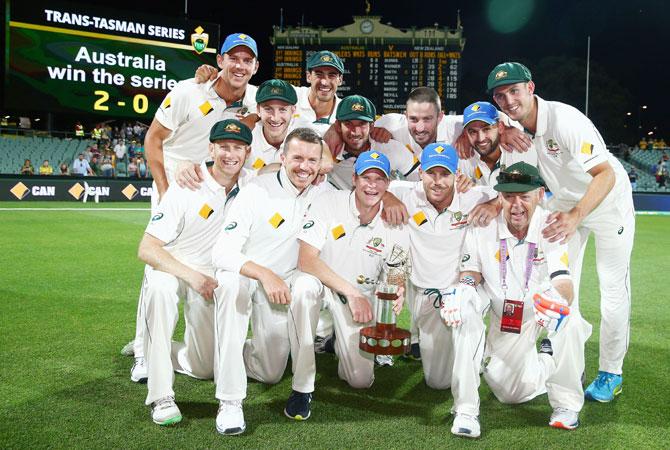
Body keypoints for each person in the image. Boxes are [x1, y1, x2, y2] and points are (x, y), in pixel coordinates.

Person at [487, 62, 634, 402]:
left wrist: (575, 215)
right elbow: (470, 120)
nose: (508, 101)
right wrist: (500, 127)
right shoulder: (510, 122)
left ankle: (611, 371)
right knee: (560, 284)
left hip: (608, 202)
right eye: (500, 96)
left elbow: (605, 174)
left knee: (612, 288)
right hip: (566, 203)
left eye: (514, 91)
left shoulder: (566, 120)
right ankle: (572, 358)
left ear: (531, 88)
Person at [445, 162, 592, 437]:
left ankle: (566, 405)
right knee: (512, 393)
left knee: (567, 316)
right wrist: (463, 289)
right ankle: (466, 409)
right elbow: (471, 271)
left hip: (540, 306)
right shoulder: (483, 225)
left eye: (524, 196)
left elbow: (563, 279)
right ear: (498, 196)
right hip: (504, 313)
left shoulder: (551, 225)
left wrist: (557, 299)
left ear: (539, 195)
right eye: (509, 196)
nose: (516, 205)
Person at [211, 128, 328, 435]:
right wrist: (264, 273)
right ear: (282, 157)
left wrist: (394, 195)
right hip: (249, 276)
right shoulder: (255, 190)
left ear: (320, 163)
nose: (304, 166)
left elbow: (374, 188)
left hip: (284, 286)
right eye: (297, 158)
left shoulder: (322, 194)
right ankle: (230, 401)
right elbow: (222, 252)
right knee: (231, 286)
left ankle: (301, 387)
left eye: (312, 160)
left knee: (271, 372)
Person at [136, 119, 253, 426]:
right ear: (211, 148)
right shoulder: (187, 184)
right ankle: (161, 397)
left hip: (211, 275)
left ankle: (149, 349)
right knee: (160, 293)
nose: (230, 154)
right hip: (172, 265)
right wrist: (191, 276)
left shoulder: (253, 187)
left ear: (247, 152)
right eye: (223, 147)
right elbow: (147, 249)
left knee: (202, 367)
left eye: (237, 148)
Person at [288, 150, 410, 419]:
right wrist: (353, 294)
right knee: (303, 289)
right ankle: (301, 387)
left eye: (380, 179)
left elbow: (396, 271)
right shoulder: (328, 202)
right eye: (366, 177)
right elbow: (306, 260)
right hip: (321, 282)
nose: (372, 185)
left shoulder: (395, 224)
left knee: (360, 380)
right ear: (354, 178)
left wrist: (398, 290)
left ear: (388, 184)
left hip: (358, 296)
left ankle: (335, 342)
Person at [386, 143, 496, 432]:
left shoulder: (475, 196)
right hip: (425, 296)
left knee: (468, 317)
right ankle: (476, 354)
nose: (437, 181)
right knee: (437, 381)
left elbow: (507, 195)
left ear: (456, 174)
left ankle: (467, 412)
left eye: (445, 174)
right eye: (431, 173)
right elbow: (372, 185)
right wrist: (388, 198)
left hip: (462, 288)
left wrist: (492, 205)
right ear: (420, 173)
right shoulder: (404, 194)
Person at [244, 79, 333, 173]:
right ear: (258, 109)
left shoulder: (301, 127)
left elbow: (327, 164)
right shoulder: (248, 135)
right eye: (268, 109)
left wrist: (273, 170)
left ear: (293, 110)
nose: (275, 118)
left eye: (282, 109)